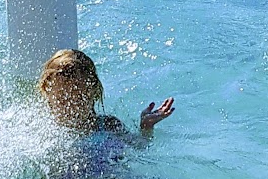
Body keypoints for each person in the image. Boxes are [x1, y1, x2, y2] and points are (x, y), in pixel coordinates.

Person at [37, 48, 173, 144]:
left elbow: (139, 146)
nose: (71, 106)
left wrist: (146, 127)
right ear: (48, 96)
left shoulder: (109, 126)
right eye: (62, 99)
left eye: (79, 98)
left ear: (94, 93)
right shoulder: (43, 136)